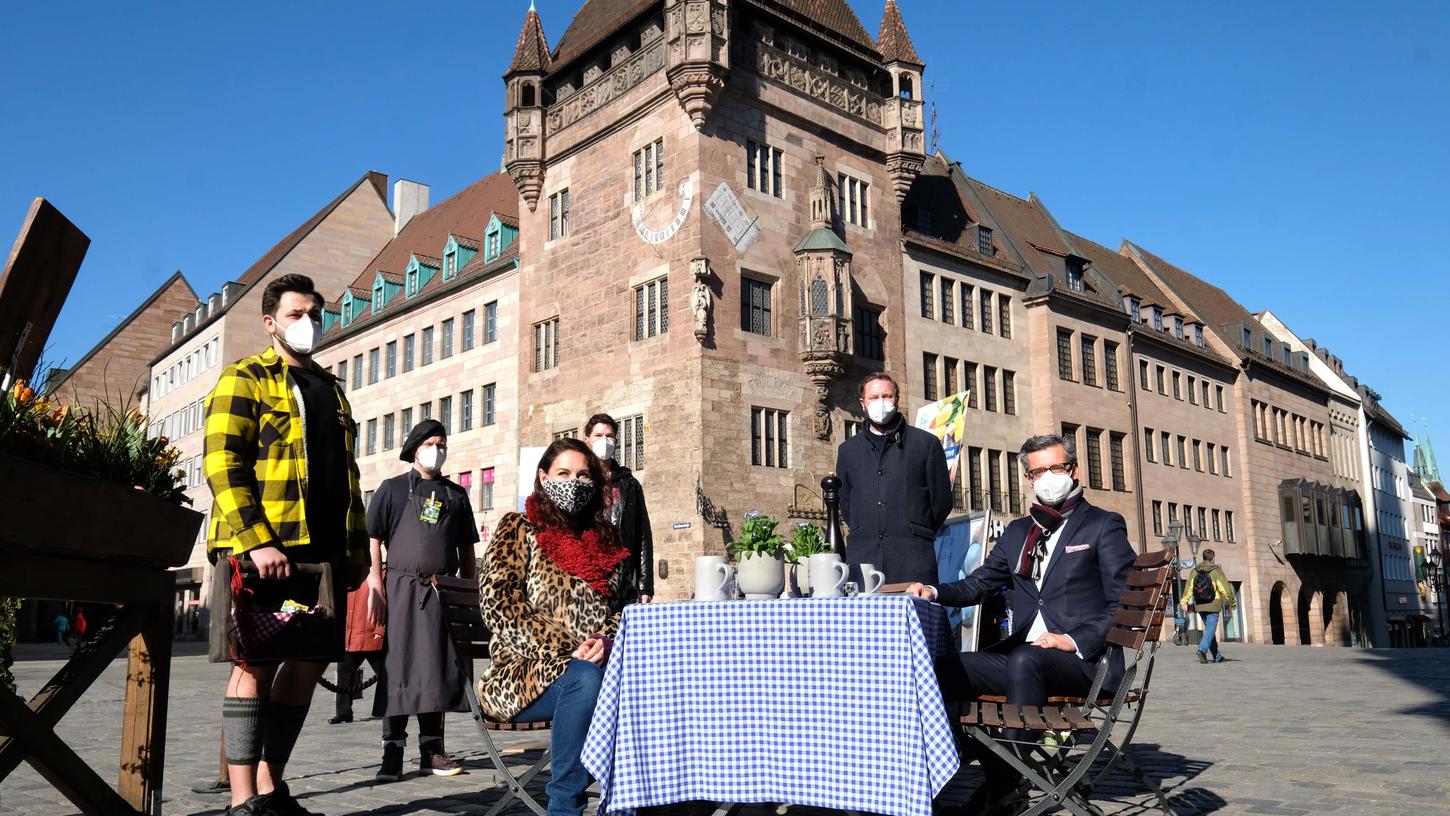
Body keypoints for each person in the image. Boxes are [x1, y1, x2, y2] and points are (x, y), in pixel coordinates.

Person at [205, 273, 369, 816]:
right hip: (269, 547)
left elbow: (347, 476)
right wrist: (255, 541)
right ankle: (242, 800)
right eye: (297, 314)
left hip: (323, 552)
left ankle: (272, 788)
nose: (309, 323)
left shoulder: (332, 388)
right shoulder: (245, 377)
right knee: (255, 663)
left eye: (315, 313)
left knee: (304, 664)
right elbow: (222, 464)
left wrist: (355, 555)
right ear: (271, 322)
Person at [907, 433, 1135, 815]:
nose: (1047, 477)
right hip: (1025, 660)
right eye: (1038, 471)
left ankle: (1007, 788)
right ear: (1028, 479)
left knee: (1025, 659)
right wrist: (934, 591)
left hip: (1086, 663)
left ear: (1073, 470)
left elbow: (1123, 600)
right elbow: (979, 583)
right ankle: (999, 774)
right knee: (939, 670)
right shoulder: (1018, 532)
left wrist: (1074, 640)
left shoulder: (1102, 525)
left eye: (1055, 468)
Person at [478, 438, 640, 816]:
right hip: (523, 673)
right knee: (584, 678)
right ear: (543, 476)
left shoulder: (606, 540)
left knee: (642, 681)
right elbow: (499, 602)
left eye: (584, 475)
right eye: (563, 473)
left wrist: (606, 638)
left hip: (600, 665)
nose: (574, 482)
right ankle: (565, 807)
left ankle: (655, 801)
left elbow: (627, 606)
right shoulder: (519, 528)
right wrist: (568, 649)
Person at [364, 418, 476, 781]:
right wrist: (375, 581)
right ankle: (392, 752)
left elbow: (467, 547)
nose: (437, 450)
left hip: (442, 592)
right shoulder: (393, 489)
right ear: (414, 448)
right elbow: (374, 537)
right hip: (400, 589)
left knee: (436, 671)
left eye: (442, 444)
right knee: (398, 669)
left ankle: (432, 750)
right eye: (430, 443)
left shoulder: (456, 495)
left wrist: (468, 590)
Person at [835, 372, 952, 585]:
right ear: (863, 403)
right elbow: (846, 503)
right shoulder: (848, 450)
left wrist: (915, 527)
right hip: (864, 559)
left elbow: (941, 502)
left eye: (887, 396)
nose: (881, 402)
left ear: (896, 400)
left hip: (913, 558)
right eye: (874, 397)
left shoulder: (925, 444)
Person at [583, 413, 653, 598]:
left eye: (609, 436)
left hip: (624, 577)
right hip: (587, 576)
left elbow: (643, 536)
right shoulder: (580, 481)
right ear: (587, 440)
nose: (604, 440)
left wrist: (645, 586)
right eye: (598, 436)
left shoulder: (629, 484)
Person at [328, 583, 385, 725]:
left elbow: (385, 603)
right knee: (343, 676)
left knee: (386, 676)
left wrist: (380, 630)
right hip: (351, 637)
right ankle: (343, 712)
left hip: (371, 635)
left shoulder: (379, 578)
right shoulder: (350, 578)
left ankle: (392, 707)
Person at [1181, 549, 1235, 664]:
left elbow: (1189, 587)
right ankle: (1202, 649)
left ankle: (1217, 656)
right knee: (1211, 629)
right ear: (1213, 558)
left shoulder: (1195, 571)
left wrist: (1184, 601)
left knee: (1210, 630)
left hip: (1200, 604)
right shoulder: (1216, 571)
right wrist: (1232, 602)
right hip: (1213, 604)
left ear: (1203, 557)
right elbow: (1226, 589)